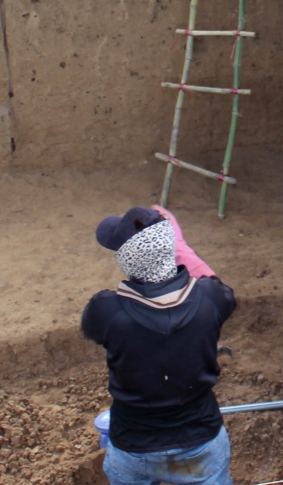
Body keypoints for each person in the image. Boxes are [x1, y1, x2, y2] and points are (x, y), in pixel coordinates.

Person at [81, 206, 236, 485]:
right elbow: (216, 285)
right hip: (200, 443)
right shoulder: (211, 299)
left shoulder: (106, 311)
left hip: (134, 445)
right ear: (170, 248)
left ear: (126, 260)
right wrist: (180, 247)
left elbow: (92, 328)